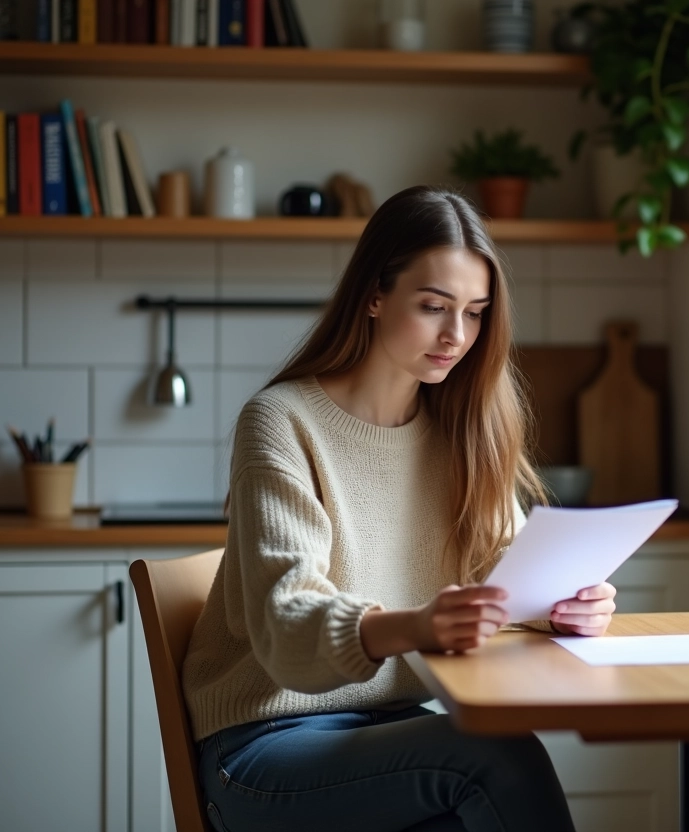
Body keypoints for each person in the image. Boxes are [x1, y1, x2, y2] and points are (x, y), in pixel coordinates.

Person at [182, 185, 617, 832]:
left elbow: (508, 576)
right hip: (261, 749)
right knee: (496, 757)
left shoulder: (461, 431)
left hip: (391, 736)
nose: (456, 335)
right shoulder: (281, 422)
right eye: (434, 307)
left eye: (475, 313)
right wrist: (414, 626)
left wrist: (567, 605)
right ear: (375, 296)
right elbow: (284, 627)